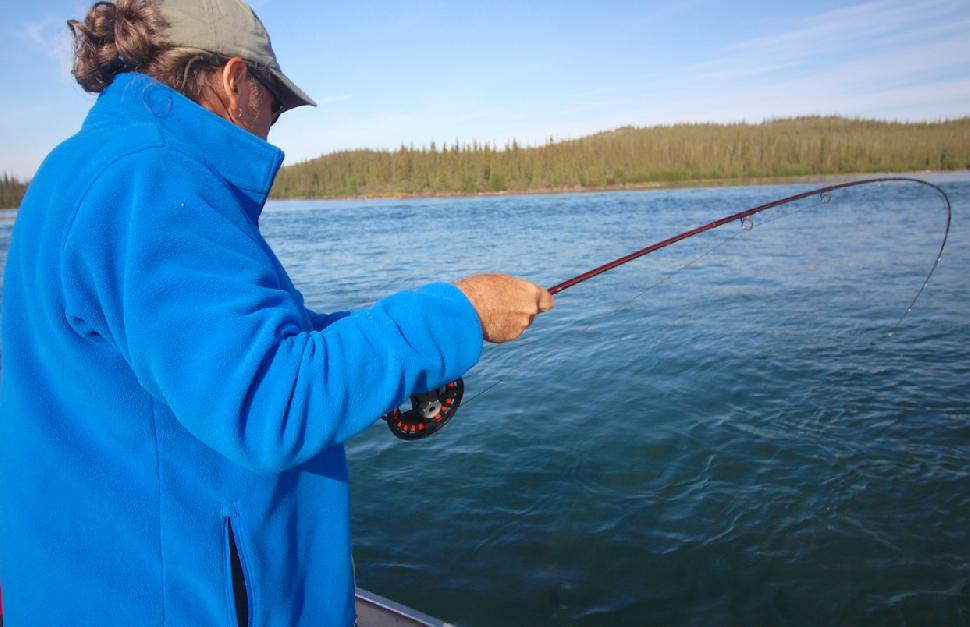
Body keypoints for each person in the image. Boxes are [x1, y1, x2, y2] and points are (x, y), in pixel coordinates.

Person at [0, 0, 553, 624]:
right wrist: (462, 313)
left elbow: (214, 355)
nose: (274, 123)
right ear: (235, 81)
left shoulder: (78, 165)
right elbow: (269, 403)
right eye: (275, 102)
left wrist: (371, 344)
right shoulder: (151, 177)